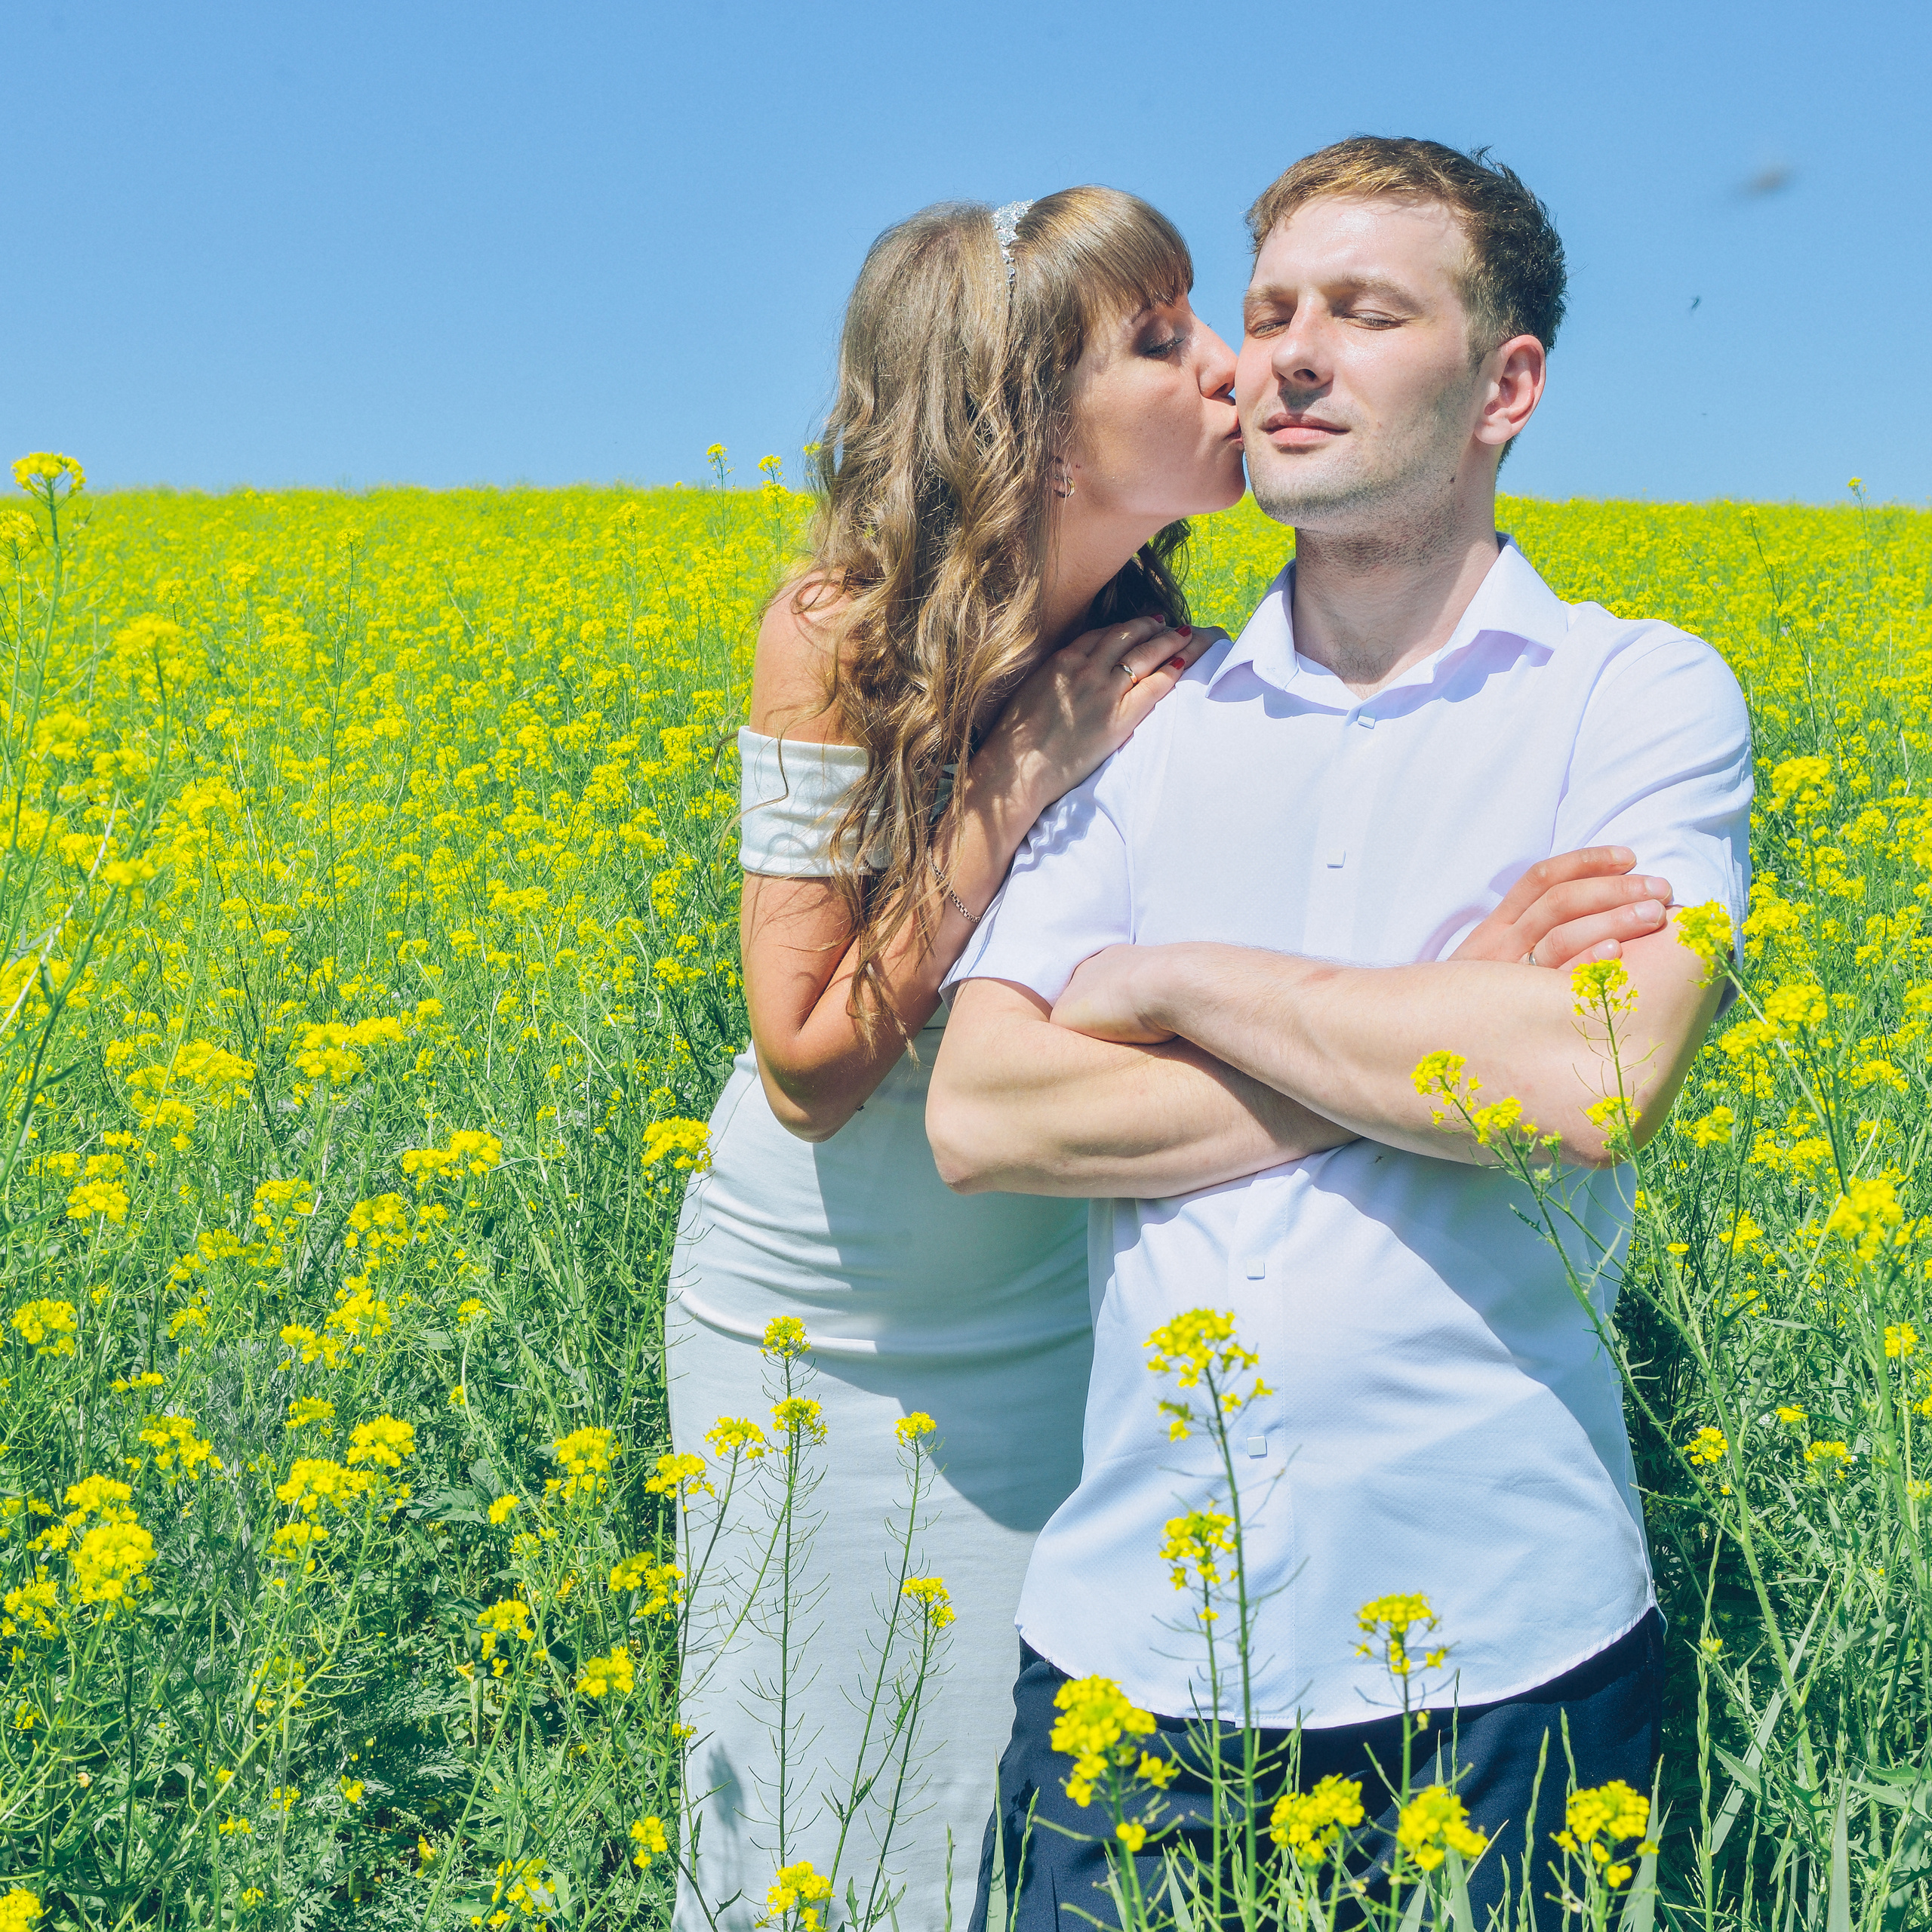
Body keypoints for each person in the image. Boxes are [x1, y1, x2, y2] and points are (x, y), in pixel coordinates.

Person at [668, 186, 1680, 1931]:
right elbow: (807, 1059)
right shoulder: (837, 630)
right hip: (824, 1294)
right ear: (1026, 421)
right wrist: (1023, 774)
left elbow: (1277, 1001)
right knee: (814, 1798)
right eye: (1161, 340)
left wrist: (1417, 1010)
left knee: (989, 1787)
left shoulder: (1175, 663)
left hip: (1063, 1263)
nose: (1233, 366)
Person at [928, 138, 1753, 1930]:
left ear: (1502, 386)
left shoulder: (1630, 693)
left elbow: (1588, 1078)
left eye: (1365, 312)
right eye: (1274, 308)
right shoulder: (1141, 712)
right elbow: (984, 1112)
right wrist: (1435, 1004)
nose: (1287, 355)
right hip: (1131, 1655)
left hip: (1509, 1650)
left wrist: (1172, 981)